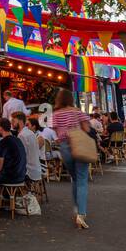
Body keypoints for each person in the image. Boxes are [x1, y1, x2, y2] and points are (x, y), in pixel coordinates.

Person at [51, 89, 94, 230]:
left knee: (74, 178)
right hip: (79, 145)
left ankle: (76, 208)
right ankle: (81, 214)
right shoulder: (77, 112)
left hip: (64, 147)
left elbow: (57, 132)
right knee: (81, 180)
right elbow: (87, 129)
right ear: (71, 99)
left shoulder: (55, 114)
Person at [0, 116, 27, 186]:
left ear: (0, 128)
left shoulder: (3, 142)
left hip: (10, 178)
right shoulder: (17, 140)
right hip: (22, 176)